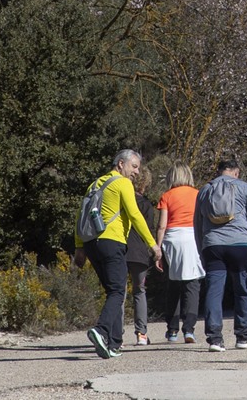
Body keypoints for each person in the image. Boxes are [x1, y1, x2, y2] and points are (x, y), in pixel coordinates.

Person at [78, 148, 158, 359]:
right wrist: (153, 245)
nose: (137, 172)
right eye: (134, 166)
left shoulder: (94, 184)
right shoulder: (123, 183)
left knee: (112, 290)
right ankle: (102, 330)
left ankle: (113, 344)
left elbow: (81, 216)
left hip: (91, 244)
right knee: (118, 291)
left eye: (138, 168)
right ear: (120, 164)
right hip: (112, 241)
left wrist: (79, 247)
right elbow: (135, 215)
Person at [197, 156, 247, 351]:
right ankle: (243, 337)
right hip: (240, 245)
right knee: (243, 291)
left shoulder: (204, 190)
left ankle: (215, 339)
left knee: (214, 291)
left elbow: (198, 225)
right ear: (236, 172)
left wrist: (201, 251)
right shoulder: (244, 188)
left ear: (219, 172)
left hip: (213, 246)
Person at [155, 161, 204, 344]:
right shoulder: (198, 194)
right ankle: (189, 329)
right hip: (192, 237)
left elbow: (162, 225)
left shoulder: (166, 195)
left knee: (173, 284)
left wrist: (158, 248)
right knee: (192, 284)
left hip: (172, 239)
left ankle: (172, 329)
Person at [124, 163, 163, 346]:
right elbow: (151, 228)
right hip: (139, 252)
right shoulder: (146, 205)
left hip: (121, 250)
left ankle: (116, 333)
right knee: (139, 291)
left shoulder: (121, 199)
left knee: (119, 292)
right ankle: (141, 333)